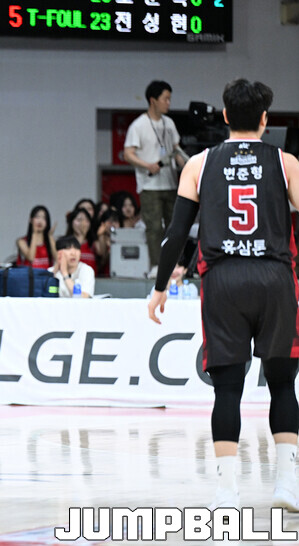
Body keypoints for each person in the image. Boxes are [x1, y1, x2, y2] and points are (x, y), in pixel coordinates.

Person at [148, 79, 299, 510]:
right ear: (265, 120)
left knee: (227, 389)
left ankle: (226, 492)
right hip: (275, 277)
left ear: (226, 116)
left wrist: (160, 287)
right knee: (283, 384)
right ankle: (286, 485)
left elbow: (176, 234)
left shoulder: (199, 164)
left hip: (222, 280)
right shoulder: (286, 162)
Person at [124, 80, 188, 274]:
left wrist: (186, 166)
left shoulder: (169, 124)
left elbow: (176, 150)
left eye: (169, 99)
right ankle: (156, 266)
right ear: (153, 100)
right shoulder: (139, 125)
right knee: (154, 227)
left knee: (174, 226)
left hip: (170, 182)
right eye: (165, 99)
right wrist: (147, 165)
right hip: (149, 184)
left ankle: (175, 264)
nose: (168, 103)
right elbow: (128, 153)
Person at [15, 205, 55, 270]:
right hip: (29, 275)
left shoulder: (50, 241)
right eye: (37, 217)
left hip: (46, 275)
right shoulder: (22, 241)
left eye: (44, 218)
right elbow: (31, 258)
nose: (40, 221)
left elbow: (57, 259)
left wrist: (50, 237)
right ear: (30, 220)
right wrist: (34, 234)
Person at [64, 207, 97, 273]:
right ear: (71, 222)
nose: (83, 223)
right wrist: (81, 235)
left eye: (86, 220)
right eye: (79, 220)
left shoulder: (93, 243)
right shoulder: (64, 243)